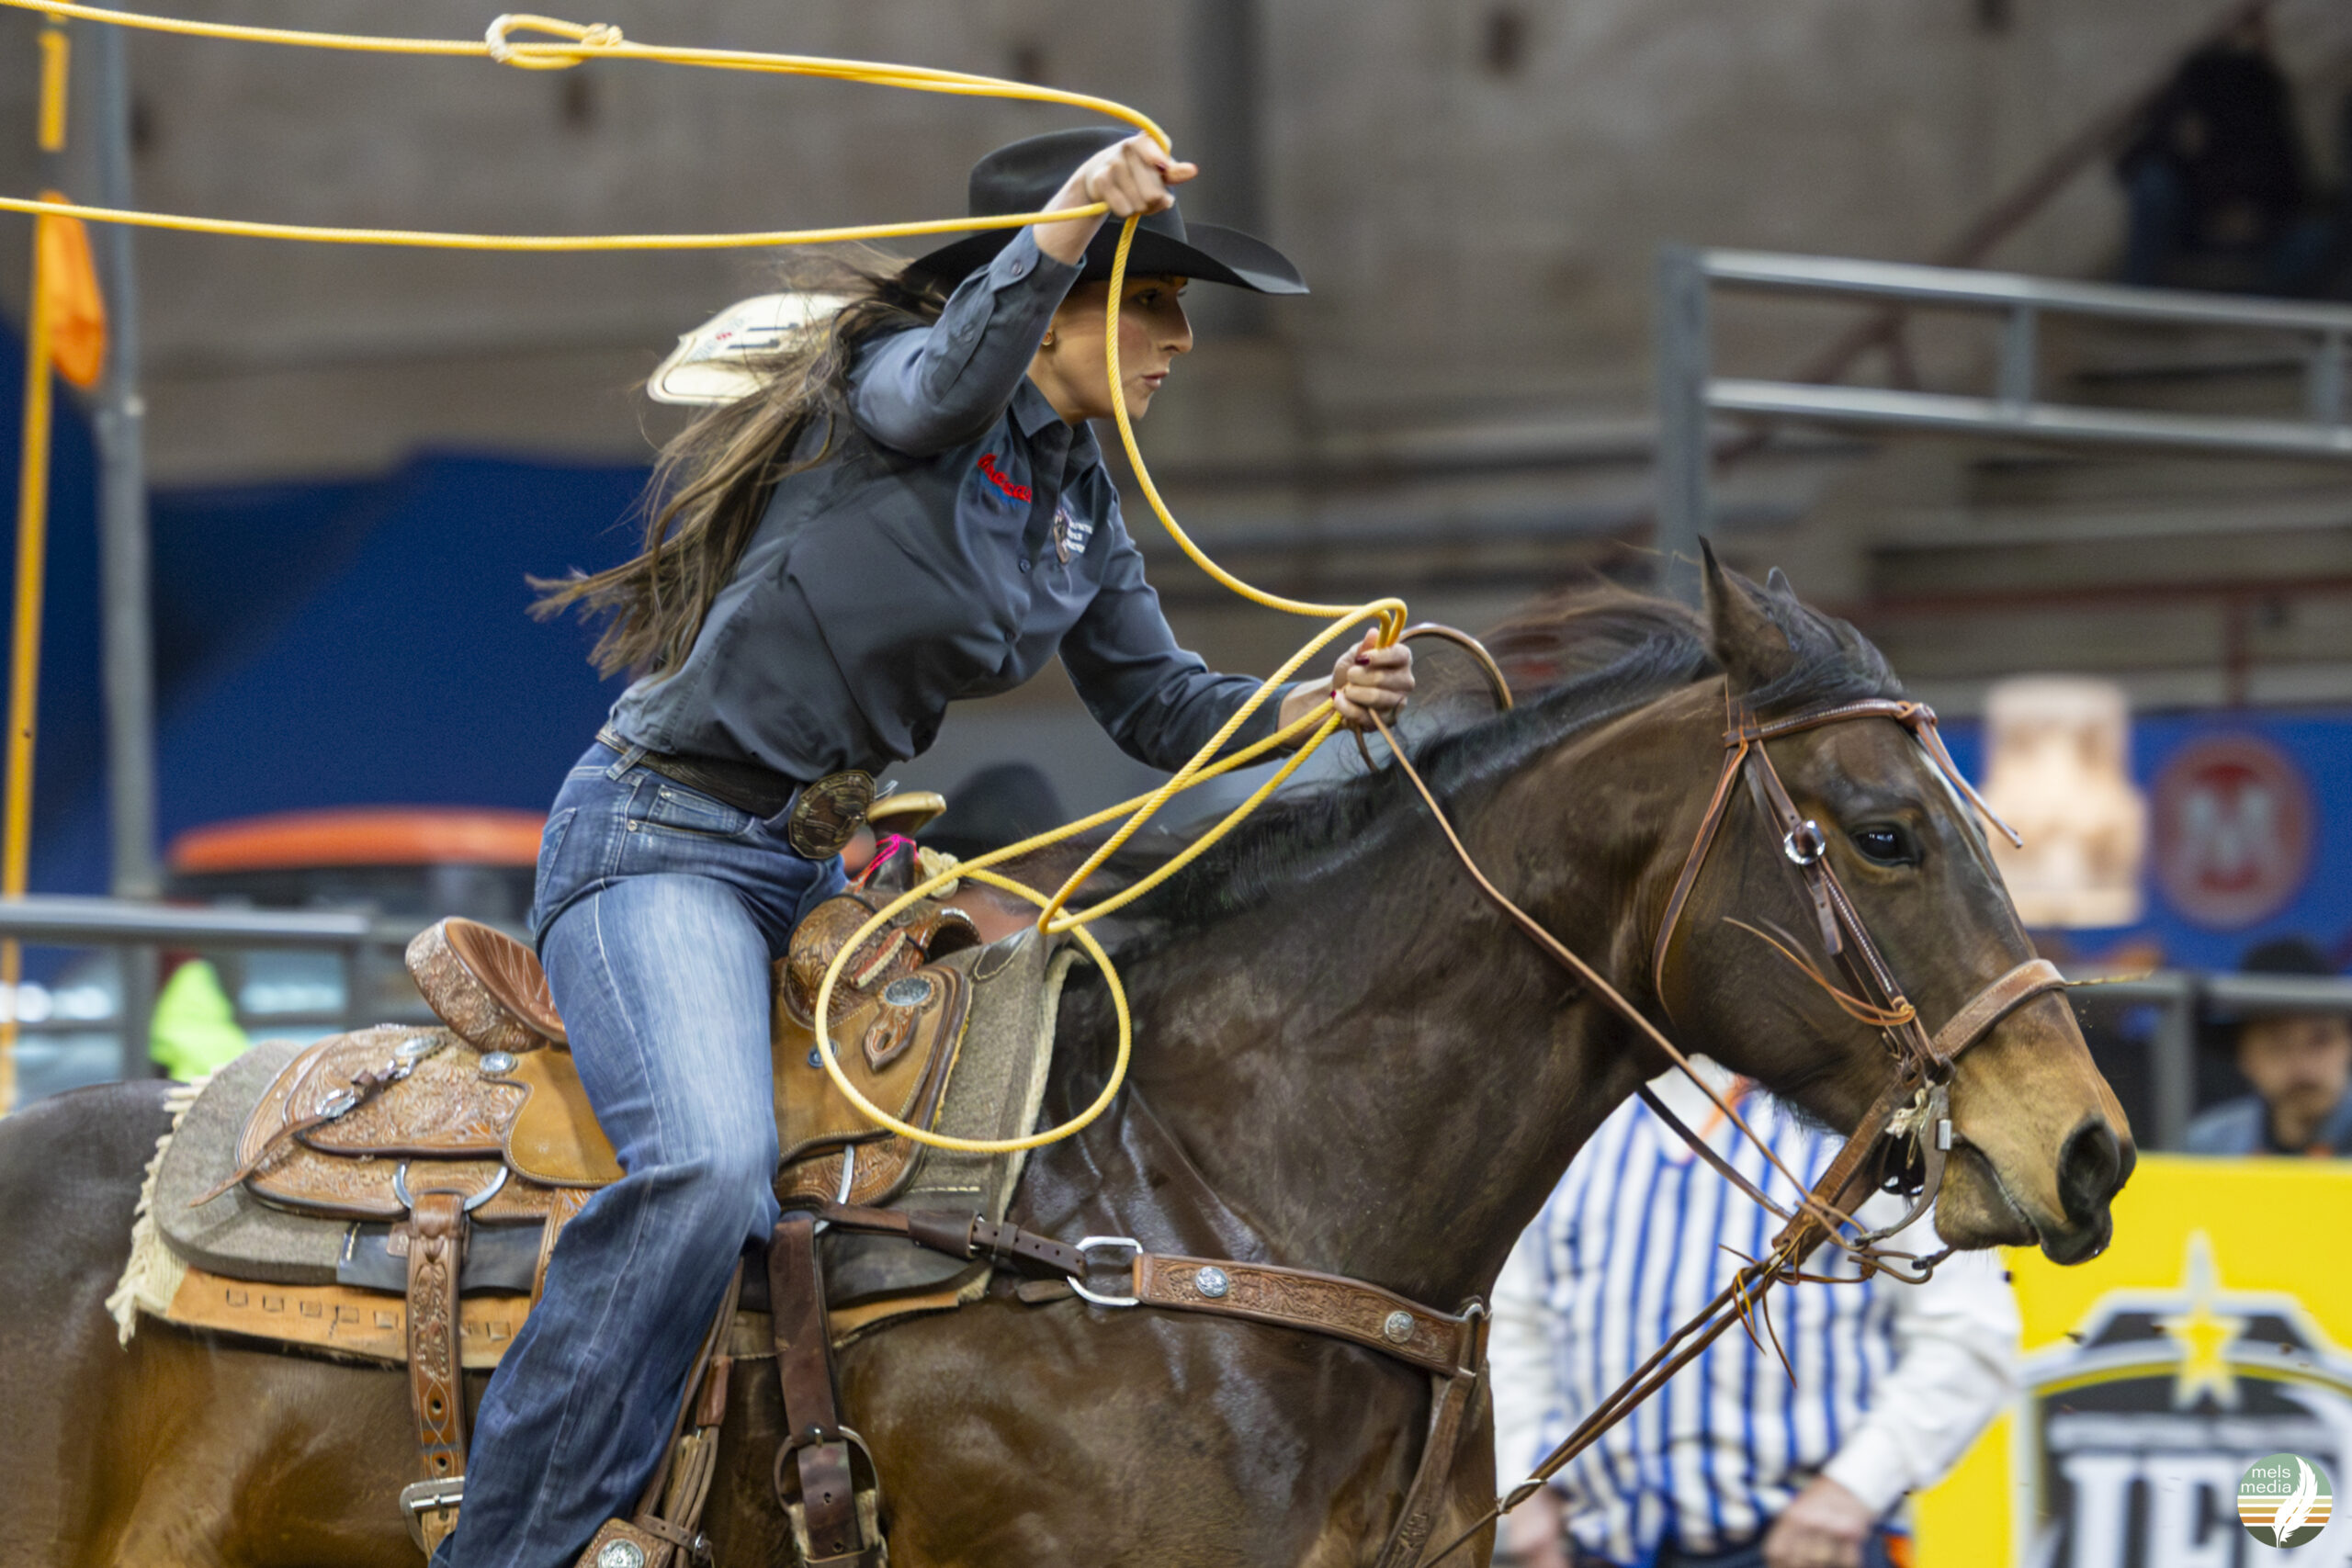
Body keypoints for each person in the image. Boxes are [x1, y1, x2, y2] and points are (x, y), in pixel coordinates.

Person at [450, 129, 1416, 1567]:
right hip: (663, 837)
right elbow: (950, 382)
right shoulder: (892, 385)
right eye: (1160, 303)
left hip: (815, 879)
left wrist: (1304, 712)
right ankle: (513, 1543)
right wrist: (1073, 219)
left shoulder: (1083, 498)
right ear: (1067, 298)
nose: (1183, 343)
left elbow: (1157, 704)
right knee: (709, 1169)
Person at [1492, 1063, 2020, 1568]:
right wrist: (1524, 1480)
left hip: (1801, 1549)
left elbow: (1970, 1329)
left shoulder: (1863, 1122)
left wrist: (1854, 1487)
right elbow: (1515, 1320)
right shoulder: (1580, 1120)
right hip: (1594, 1545)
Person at [2115, 15, 2332, 295]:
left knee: (2312, 237)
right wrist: (2177, 146)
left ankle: (2261, 310)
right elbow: (2132, 163)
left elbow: (2292, 182)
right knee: (2153, 183)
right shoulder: (2187, 100)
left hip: (2256, 229)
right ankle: (2135, 302)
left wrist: (2255, 215)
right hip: (2195, 225)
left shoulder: (2263, 103)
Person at [2185, 936, 2352, 1157]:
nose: (2303, 1065)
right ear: (2244, 1056)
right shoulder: (2207, 1148)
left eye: (2320, 1040)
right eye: (2278, 1045)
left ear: (2347, 1042)